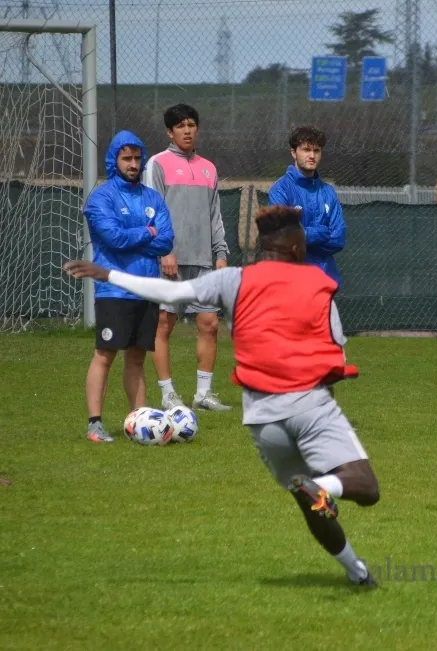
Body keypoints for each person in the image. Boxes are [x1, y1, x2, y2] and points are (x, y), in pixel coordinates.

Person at [64, 206, 379, 587]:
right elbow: (337, 353)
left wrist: (108, 273)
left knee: (308, 500)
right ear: (297, 248)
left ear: (264, 248)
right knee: (364, 485)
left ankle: (356, 571)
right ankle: (325, 487)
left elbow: (173, 291)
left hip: (262, 420)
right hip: (310, 403)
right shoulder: (317, 283)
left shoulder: (233, 280)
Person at [81, 130, 175, 443]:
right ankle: (95, 423)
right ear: (115, 161)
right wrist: (148, 231)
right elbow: (114, 239)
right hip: (114, 291)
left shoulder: (153, 197)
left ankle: (142, 424)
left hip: (146, 288)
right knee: (105, 354)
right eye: (127, 158)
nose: (133, 164)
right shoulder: (101, 198)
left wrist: (141, 235)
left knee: (137, 357)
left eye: (137, 158)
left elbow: (166, 240)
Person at [142, 103, 231, 412]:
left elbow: (215, 215)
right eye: (180, 126)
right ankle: (168, 395)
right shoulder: (157, 164)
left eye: (191, 124)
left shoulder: (209, 168)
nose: (187, 130)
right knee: (164, 325)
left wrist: (220, 252)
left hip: (204, 262)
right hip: (170, 261)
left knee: (209, 325)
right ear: (170, 131)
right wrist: (164, 250)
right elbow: (151, 213)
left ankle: (203, 395)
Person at [267, 125, 345, 286]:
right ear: (294, 153)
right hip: (291, 282)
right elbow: (283, 237)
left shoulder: (328, 192)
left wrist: (303, 237)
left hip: (324, 280)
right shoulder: (280, 190)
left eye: (316, 151)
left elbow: (338, 239)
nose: (312, 155)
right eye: (306, 150)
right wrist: (322, 232)